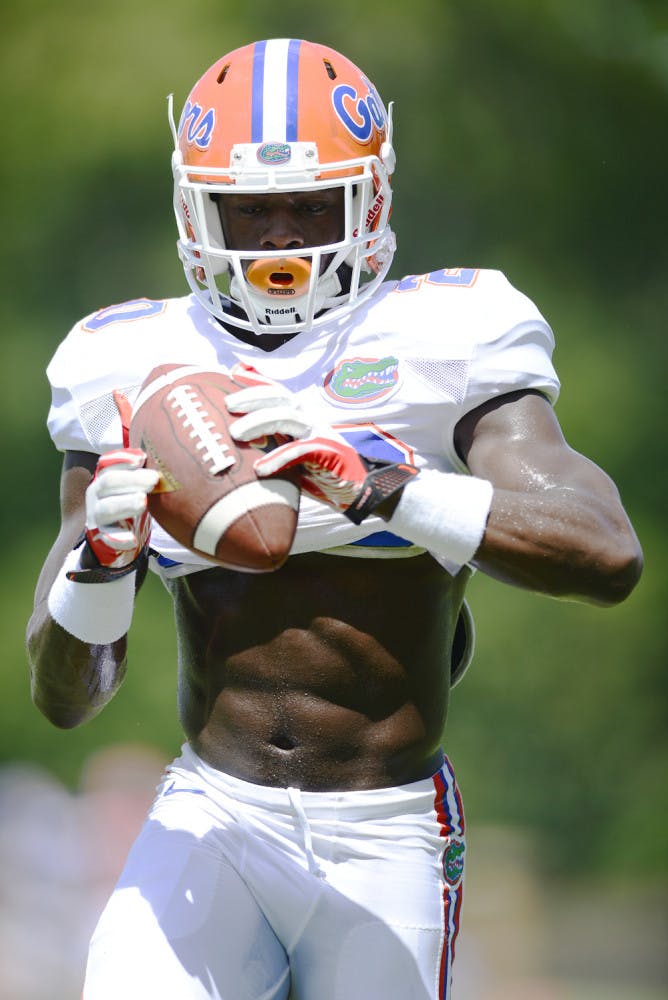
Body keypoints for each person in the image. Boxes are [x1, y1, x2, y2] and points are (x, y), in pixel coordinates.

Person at [26, 38, 642, 1000]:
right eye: (250, 209)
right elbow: (66, 696)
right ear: (194, 209)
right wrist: (99, 564)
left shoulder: (446, 337)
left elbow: (604, 552)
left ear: (373, 200)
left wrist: (387, 488)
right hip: (213, 814)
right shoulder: (127, 363)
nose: (280, 239)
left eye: (312, 205)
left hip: (385, 828)